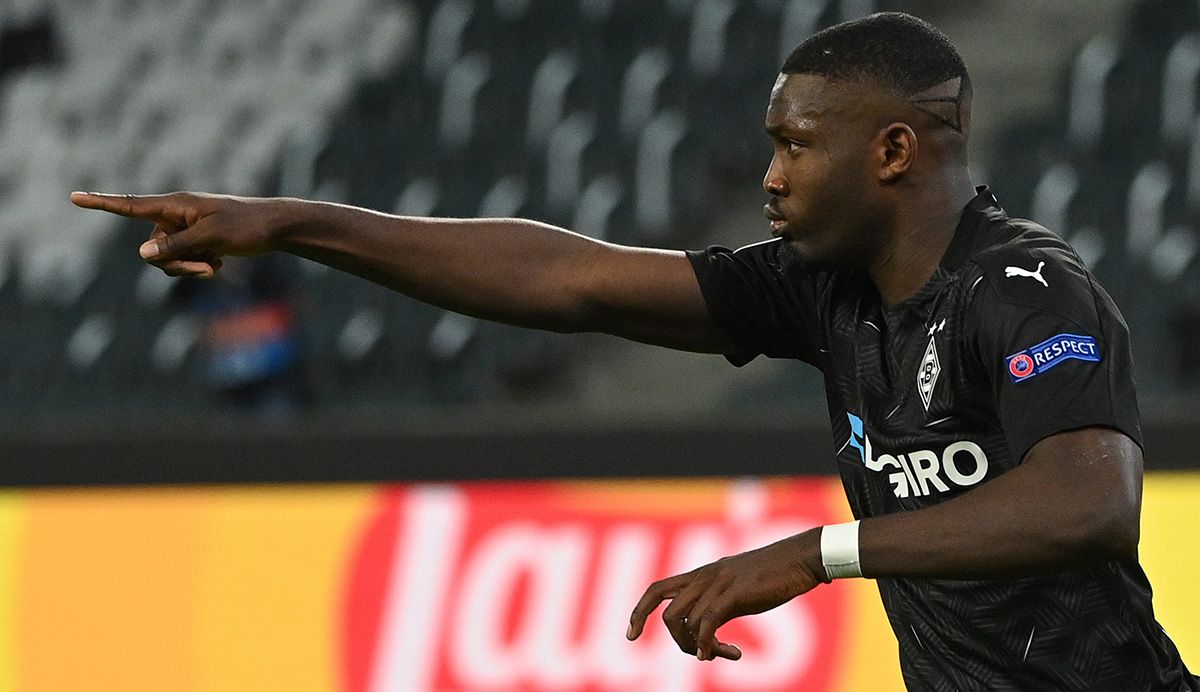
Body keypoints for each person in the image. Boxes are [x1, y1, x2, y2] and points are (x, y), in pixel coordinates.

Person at [72, 12, 1198, 690]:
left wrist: (817, 552)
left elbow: (1088, 500)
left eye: (797, 145)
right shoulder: (821, 292)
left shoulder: (1026, 288)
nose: (771, 176)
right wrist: (296, 224)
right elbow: (573, 279)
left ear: (895, 150)